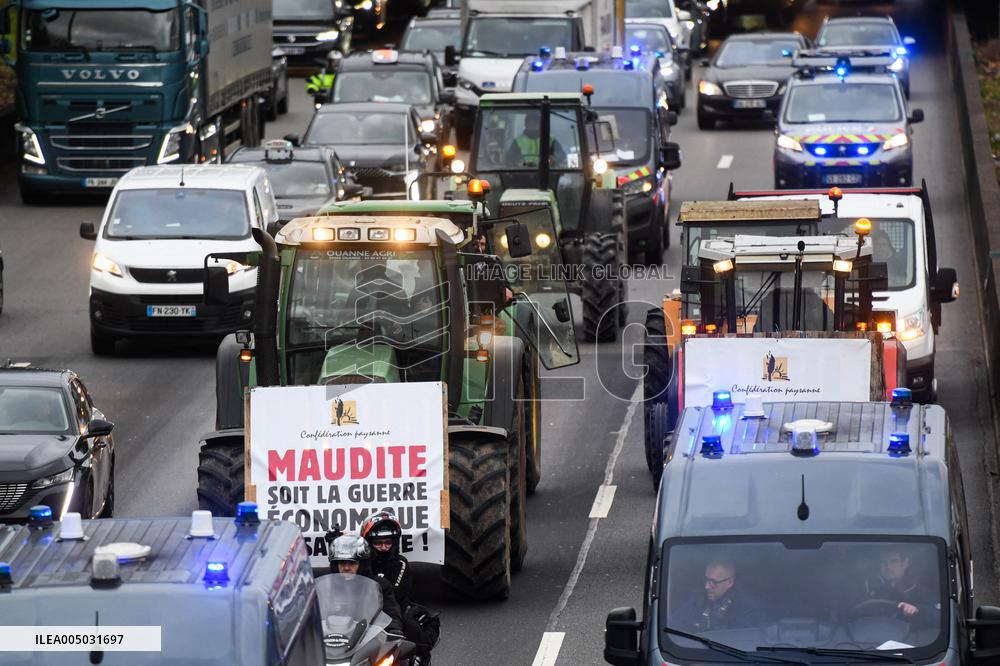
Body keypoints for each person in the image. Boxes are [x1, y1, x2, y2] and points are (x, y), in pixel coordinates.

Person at [361, 512, 440, 665]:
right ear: (368, 543)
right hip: (362, 610)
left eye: (387, 542)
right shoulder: (361, 561)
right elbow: (345, 577)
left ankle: (417, 660)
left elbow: (392, 593)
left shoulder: (401, 564)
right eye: (378, 543)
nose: (383, 548)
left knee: (414, 628)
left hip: (393, 610)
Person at [327, 534, 404, 634]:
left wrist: (394, 630)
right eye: (342, 562)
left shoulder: (380, 586)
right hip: (330, 640)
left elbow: (392, 614)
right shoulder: (326, 587)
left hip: (367, 641)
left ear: (362, 564)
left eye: (352, 563)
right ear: (335, 565)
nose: (346, 568)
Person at [850, 547, 937, 626]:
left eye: (894, 561)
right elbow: (849, 613)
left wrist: (917, 610)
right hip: (869, 637)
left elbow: (937, 616)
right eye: (883, 562)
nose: (888, 566)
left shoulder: (919, 590)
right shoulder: (866, 588)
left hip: (908, 640)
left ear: (905, 563)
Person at [673, 559, 762, 632]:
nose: (707, 586)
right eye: (706, 580)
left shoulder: (747, 607)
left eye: (714, 582)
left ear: (730, 583)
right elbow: (674, 625)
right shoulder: (696, 599)